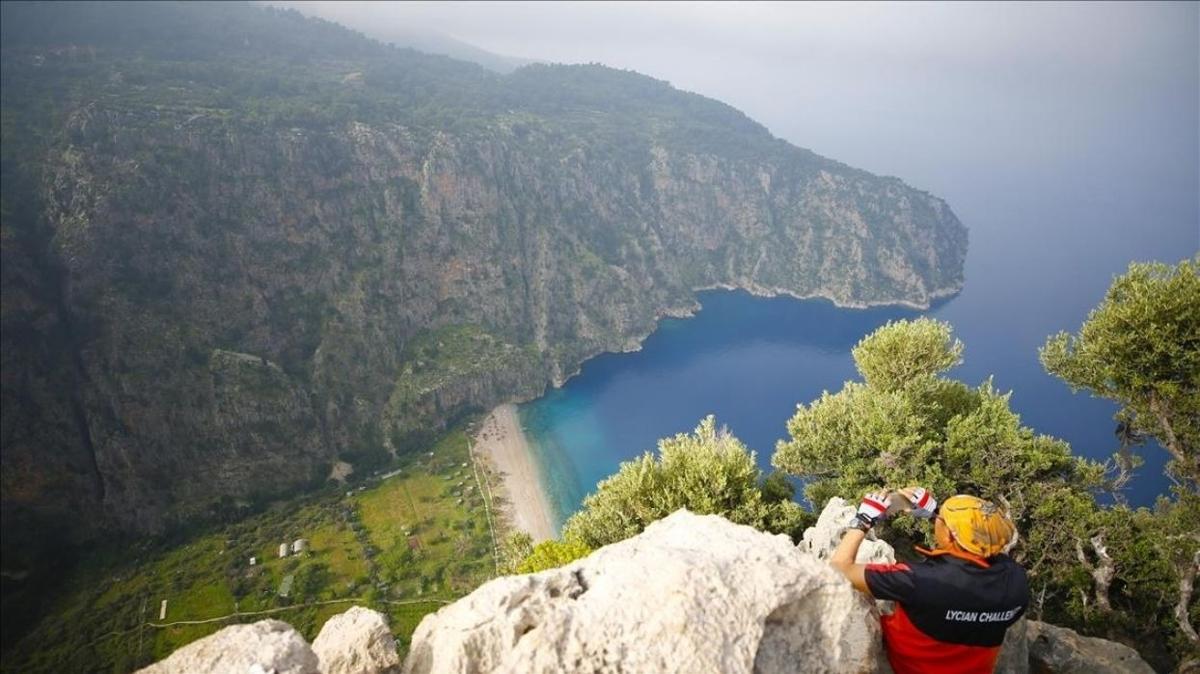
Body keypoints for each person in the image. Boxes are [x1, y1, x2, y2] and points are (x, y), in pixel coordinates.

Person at [829, 487, 1029, 674]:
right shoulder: (1016, 580)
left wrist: (863, 520)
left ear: (950, 537)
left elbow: (839, 568)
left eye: (942, 519)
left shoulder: (916, 580)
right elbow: (981, 544)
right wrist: (936, 512)